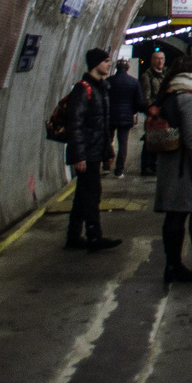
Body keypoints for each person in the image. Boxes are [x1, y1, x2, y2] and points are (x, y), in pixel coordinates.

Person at [153, 54, 192, 283]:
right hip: (182, 168)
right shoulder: (187, 99)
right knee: (177, 218)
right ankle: (174, 266)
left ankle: (172, 264)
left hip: (170, 165)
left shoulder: (170, 94)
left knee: (173, 217)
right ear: (191, 72)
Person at [66, 49, 123, 251]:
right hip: (87, 153)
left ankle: (73, 237)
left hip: (95, 150)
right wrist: (79, 155)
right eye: (106, 61)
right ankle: (94, 236)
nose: (109, 64)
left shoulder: (101, 88)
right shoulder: (84, 89)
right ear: (95, 63)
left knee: (83, 194)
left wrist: (108, 151)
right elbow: (76, 124)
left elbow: (103, 125)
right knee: (91, 193)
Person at [107, 58, 142, 177]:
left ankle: (106, 165)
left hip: (110, 116)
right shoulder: (133, 82)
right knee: (123, 144)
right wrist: (132, 111)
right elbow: (138, 101)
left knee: (108, 141)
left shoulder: (109, 81)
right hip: (126, 117)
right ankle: (119, 170)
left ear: (116, 68)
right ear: (127, 68)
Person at [139, 49, 166, 176]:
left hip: (163, 111)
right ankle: (147, 165)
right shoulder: (147, 76)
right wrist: (151, 107)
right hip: (153, 112)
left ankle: (155, 163)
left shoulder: (166, 74)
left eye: (161, 58)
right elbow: (146, 96)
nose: (159, 61)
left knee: (160, 138)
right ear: (152, 60)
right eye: (157, 58)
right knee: (150, 138)